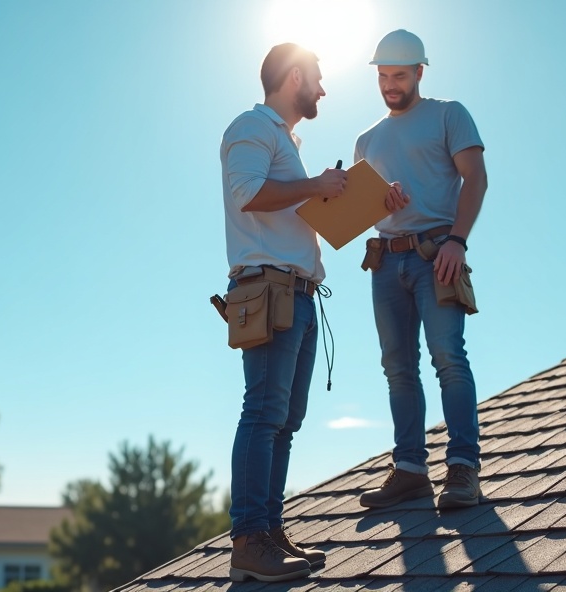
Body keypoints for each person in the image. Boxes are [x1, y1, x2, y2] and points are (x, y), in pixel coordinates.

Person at [218, 41, 407, 581]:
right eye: (318, 78)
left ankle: (268, 532)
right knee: (263, 412)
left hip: (295, 293)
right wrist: (315, 185)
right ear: (294, 75)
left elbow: (303, 213)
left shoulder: (284, 141)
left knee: (285, 420)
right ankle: (249, 540)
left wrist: (358, 198)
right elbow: (247, 195)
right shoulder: (250, 127)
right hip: (268, 289)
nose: (323, 89)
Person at [352, 29, 491, 511]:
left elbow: (477, 178)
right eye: (383, 76)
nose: (390, 84)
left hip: (438, 255)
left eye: (399, 75)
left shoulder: (449, 114)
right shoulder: (365, 140)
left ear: (419, 72)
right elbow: (362, 211)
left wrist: (457, 240)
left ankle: (464, 468)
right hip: (386, 261)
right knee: (397, 369)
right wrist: (379, 201)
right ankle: (410, 469)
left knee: (448, 358)